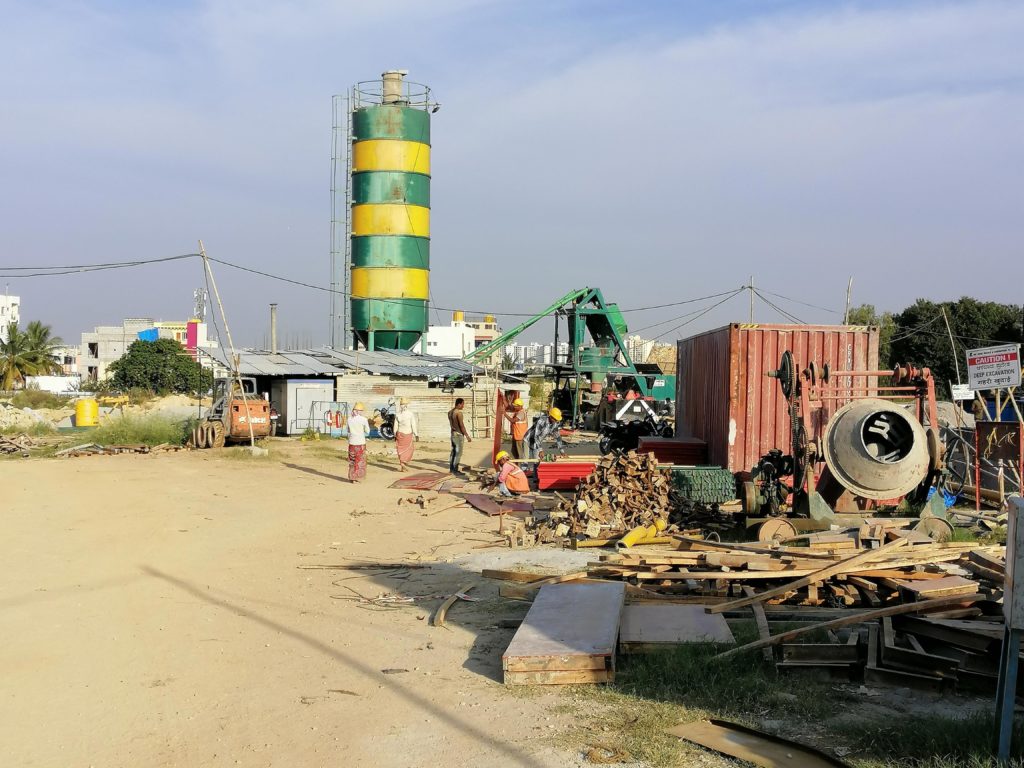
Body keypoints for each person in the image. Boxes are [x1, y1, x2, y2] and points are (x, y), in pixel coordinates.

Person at [347, 402, 370, 483]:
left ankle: (352, 477)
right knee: (360, 461)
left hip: (352, 443)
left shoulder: (349, 419)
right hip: (360, 442)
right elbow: (368, 431)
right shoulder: (364, 420)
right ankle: (358, 477)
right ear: (360, 411)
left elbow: (348, 431)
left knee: (352, 460)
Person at [448, 397, 472, 474]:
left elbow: (452, 425)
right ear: (459, 404)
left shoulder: (450, 412)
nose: (463, 406)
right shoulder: (458, 413)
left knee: (453, 452)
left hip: (453, 434)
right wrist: (467, 436)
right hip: (458, 434)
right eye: (462, 404)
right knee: (458, 453)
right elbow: (461, 425)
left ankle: (451, 469)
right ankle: (455, 470)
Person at [394, 397, 418, 472]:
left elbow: (395, 426)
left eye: (403, 404)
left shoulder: (399, 414)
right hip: (406, 433)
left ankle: (402, 464)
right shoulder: (409, 414)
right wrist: (416, 434)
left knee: (401, 449)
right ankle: (403, 464)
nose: (403, 406)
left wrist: (395, 434)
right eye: (402, 404)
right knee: (408, 449)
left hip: (401, 434)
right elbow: (413, 424)